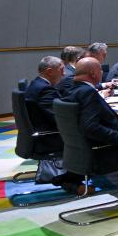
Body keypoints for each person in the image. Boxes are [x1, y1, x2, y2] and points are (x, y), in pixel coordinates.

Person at [61, 57, 118, 206]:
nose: (102, 72)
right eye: (100, 69)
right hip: (101, 152)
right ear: (94, 73)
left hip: (79, 151)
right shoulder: (88, 93)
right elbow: (90, 127)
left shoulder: (73, 89)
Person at [25, 56, 85, 194]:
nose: (64, 74)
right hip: (48, 138)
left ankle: (68, 176)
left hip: (39, 134)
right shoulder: (44, 90)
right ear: (50, 71)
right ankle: (72, 180)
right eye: (61, 70)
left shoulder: (37, 84)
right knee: (87, 134)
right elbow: (59, 118)